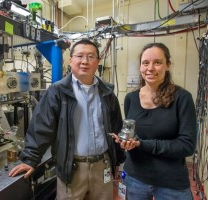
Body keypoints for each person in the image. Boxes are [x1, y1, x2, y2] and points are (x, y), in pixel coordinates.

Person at [9, 39, 125, 200]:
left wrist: (117, 159)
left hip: (102, 166)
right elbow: (42, 127)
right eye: (79, 56)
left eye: (91, 56)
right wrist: (30, 159)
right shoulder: (57, 92)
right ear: (70, 60)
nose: (85, 61)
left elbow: (116, 128)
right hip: (72, 167)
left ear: (97, 61)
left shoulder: (107, 93)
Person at [112, 43, 197, 200]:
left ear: (168, 65)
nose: (150, 68)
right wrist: (126, 142)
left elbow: (187, 145)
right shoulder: (131, 98)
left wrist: (143, 144)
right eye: (145, 63)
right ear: (140, 66)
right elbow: (133, 134)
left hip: (171, 182)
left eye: (157, 62)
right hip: (135, 178)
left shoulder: (182, 98)